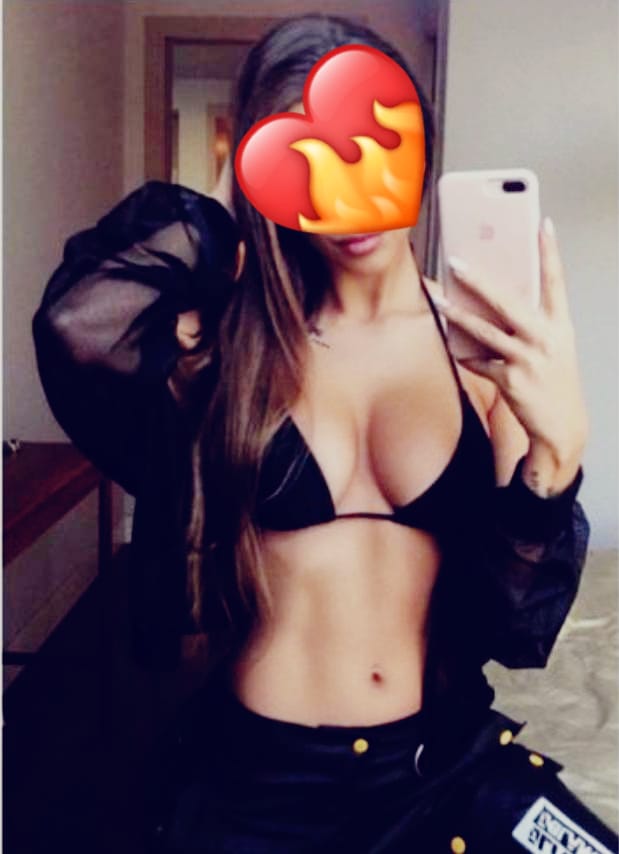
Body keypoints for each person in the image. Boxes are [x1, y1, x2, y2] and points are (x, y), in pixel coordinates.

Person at [32, 13, 617, 854]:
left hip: (436, 767)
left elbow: (511, 629)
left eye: (371, 147)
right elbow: (76, 327)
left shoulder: (482, 353)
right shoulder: (233, 345)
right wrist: (238, 207)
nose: (346, 195)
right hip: (256, 784)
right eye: (306, 162)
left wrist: (554, 458)